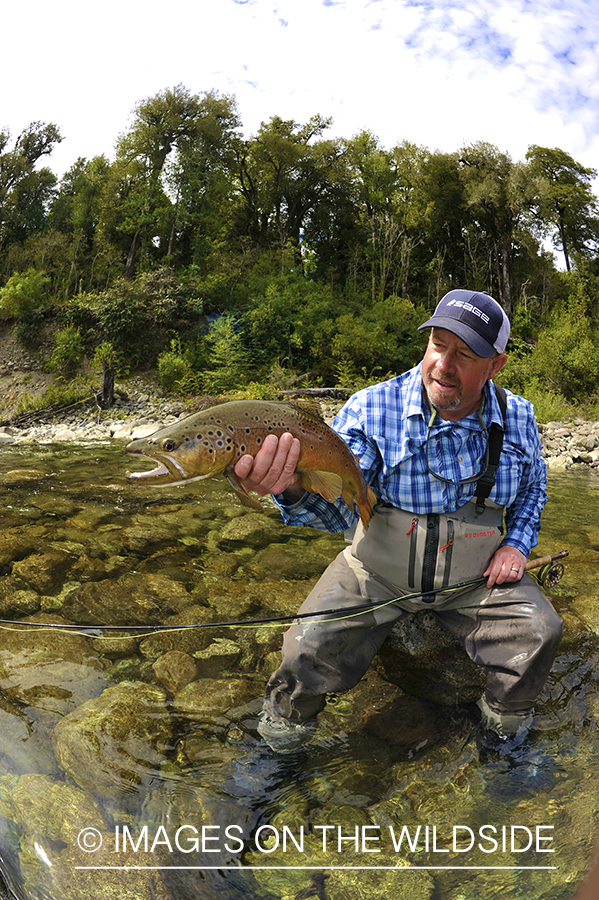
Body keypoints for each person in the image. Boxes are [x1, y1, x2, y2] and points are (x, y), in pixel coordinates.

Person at [234, 289, 563, 754]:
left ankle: (502, 739)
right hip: (375, 575)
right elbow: (337, 512)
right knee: (303, 650)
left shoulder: (519, 417)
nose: (443, 365)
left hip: (474, 581)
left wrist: (517, 545)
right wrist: (287, 487)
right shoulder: (370, 409)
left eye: (464, 355)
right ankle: (278, 747)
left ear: (495, 366)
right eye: (437, 345)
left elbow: (533, 489)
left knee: (541, 633)